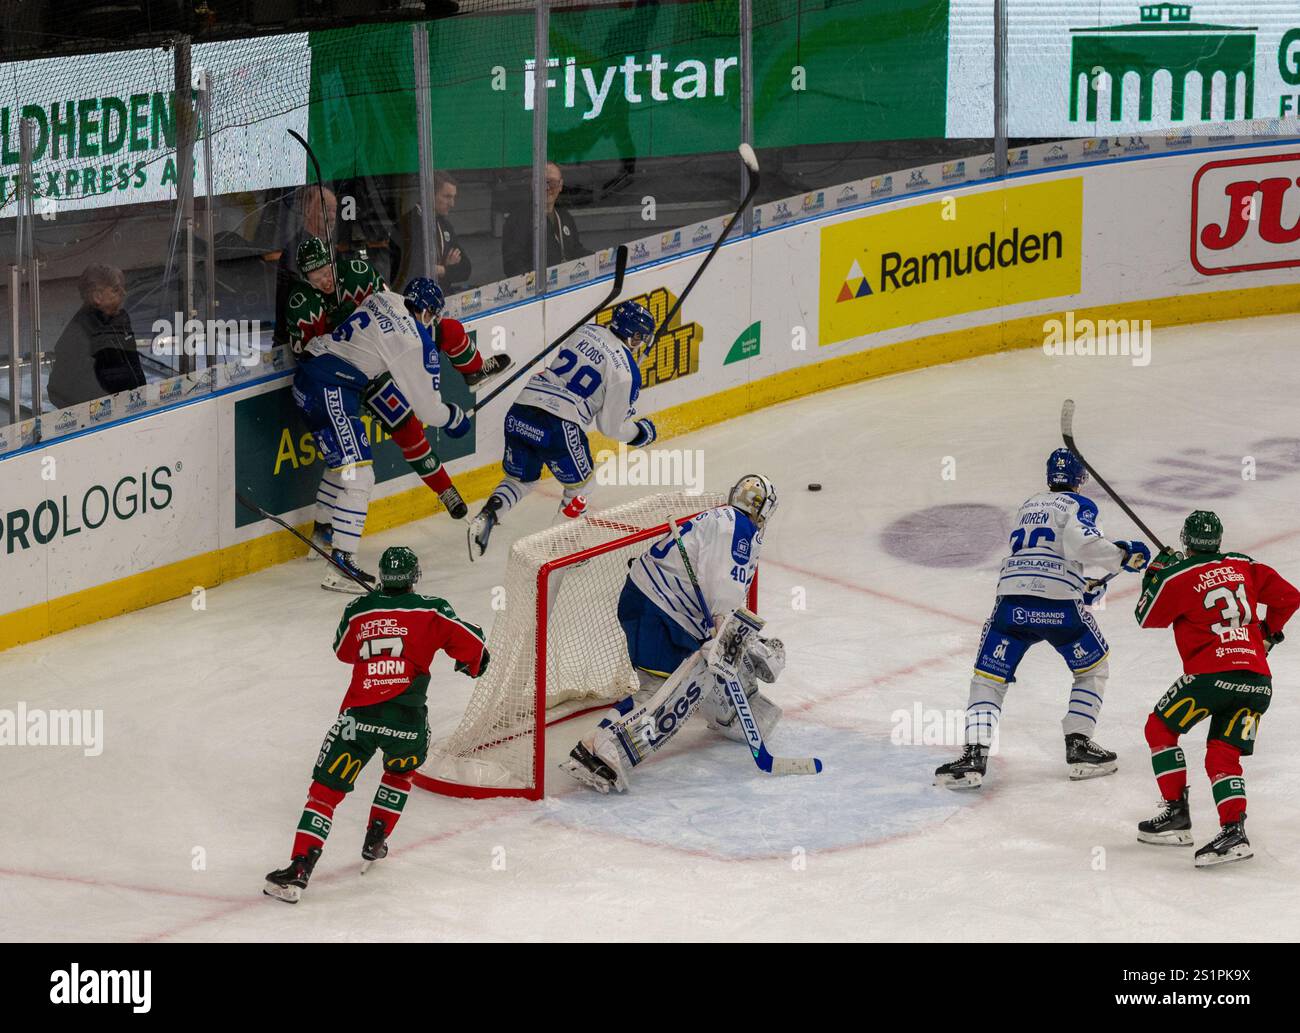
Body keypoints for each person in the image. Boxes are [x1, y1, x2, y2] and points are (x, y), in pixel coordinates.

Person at [263, 546, 488, 903]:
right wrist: (474, 664)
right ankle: (377, 837)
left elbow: (343, 651)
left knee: (325, 793)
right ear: (415, 577)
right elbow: (473, 643)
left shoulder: (356, 610)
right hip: (407, 722)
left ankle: (300, 868)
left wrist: (375, 619)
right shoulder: (433, 610)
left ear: (381, 576)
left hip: (358, 719)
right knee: (399, 773)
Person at [934, 448, 1151, 788]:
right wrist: (1123, 556)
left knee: (988, 678)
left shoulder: (1029, 505)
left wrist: (1081, 584)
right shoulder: (1080, 505)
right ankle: (1078, 745)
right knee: (1093, 668)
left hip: (1012, 602)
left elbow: (1040, 558)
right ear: (1081, 478)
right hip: (1059, 607)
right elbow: (1083, 544)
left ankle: (974, 757)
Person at [561, 475, 784, 794]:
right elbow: (724, 588)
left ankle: (727, 717)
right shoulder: (740, 527)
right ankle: (597, 748)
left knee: (680, 679)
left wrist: (725, 635)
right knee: (663, 690)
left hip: (648, 599)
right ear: (762, 510)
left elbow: (711, 582)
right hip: (662, 610)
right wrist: (724, 634)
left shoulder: (719, 518)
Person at [1133, 511, 1299, 867]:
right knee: (1223, 755)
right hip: (1257, 680)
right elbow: (1290, 597)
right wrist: (1269, 634)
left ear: (1185, 540)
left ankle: (1176, 814)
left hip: (1211, 676)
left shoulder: (1178, 576)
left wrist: (1156, 573)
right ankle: (1233, 831)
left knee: (1159, 728)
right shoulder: (1243, 564)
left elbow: (1145, 616)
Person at [293, 278, 474, 591]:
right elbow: (428, 412)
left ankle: (322, 534)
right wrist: (453, 416)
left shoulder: (383, 297)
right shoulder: (414, 342)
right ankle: (341, 566)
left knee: (345, 466)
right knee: (360, 476)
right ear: (429, 314)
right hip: (330, 385)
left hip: (315, 375)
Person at [465, 300, 657, 561]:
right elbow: (610, 428)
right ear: (635, 335)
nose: (641, 343)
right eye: (641, 338)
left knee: (520, 480)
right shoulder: (627, 372)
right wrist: (641, 433)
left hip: (522, 408)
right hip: (559, 424)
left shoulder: (587, 331)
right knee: (583, 487)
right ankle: (559, 551)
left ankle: (488, 514)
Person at [47, 265, 145, 408]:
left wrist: (141, 393)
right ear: (97, 296)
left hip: (131, 406)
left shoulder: (121, 319)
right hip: (102, 417)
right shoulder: (79, 333)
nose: (123, 293)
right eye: (116, 290)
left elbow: (132, 362)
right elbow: (58, 390)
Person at [274, 185, 338, 347]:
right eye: (325, 209)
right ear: (307, 211)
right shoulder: (298, 252)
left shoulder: (329, 248)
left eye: (334, 211)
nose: (331, 216)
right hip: (300, 347)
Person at [500, 163, 587, 277]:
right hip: (541, 291)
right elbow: (513, 265)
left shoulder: (565, 217)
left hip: (568, 284)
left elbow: (576, 250)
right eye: (543, 182)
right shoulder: (518, 220)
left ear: (560, 186)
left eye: (553, 183)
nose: (548, 188)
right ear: (533, 185)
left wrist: (597, 260)